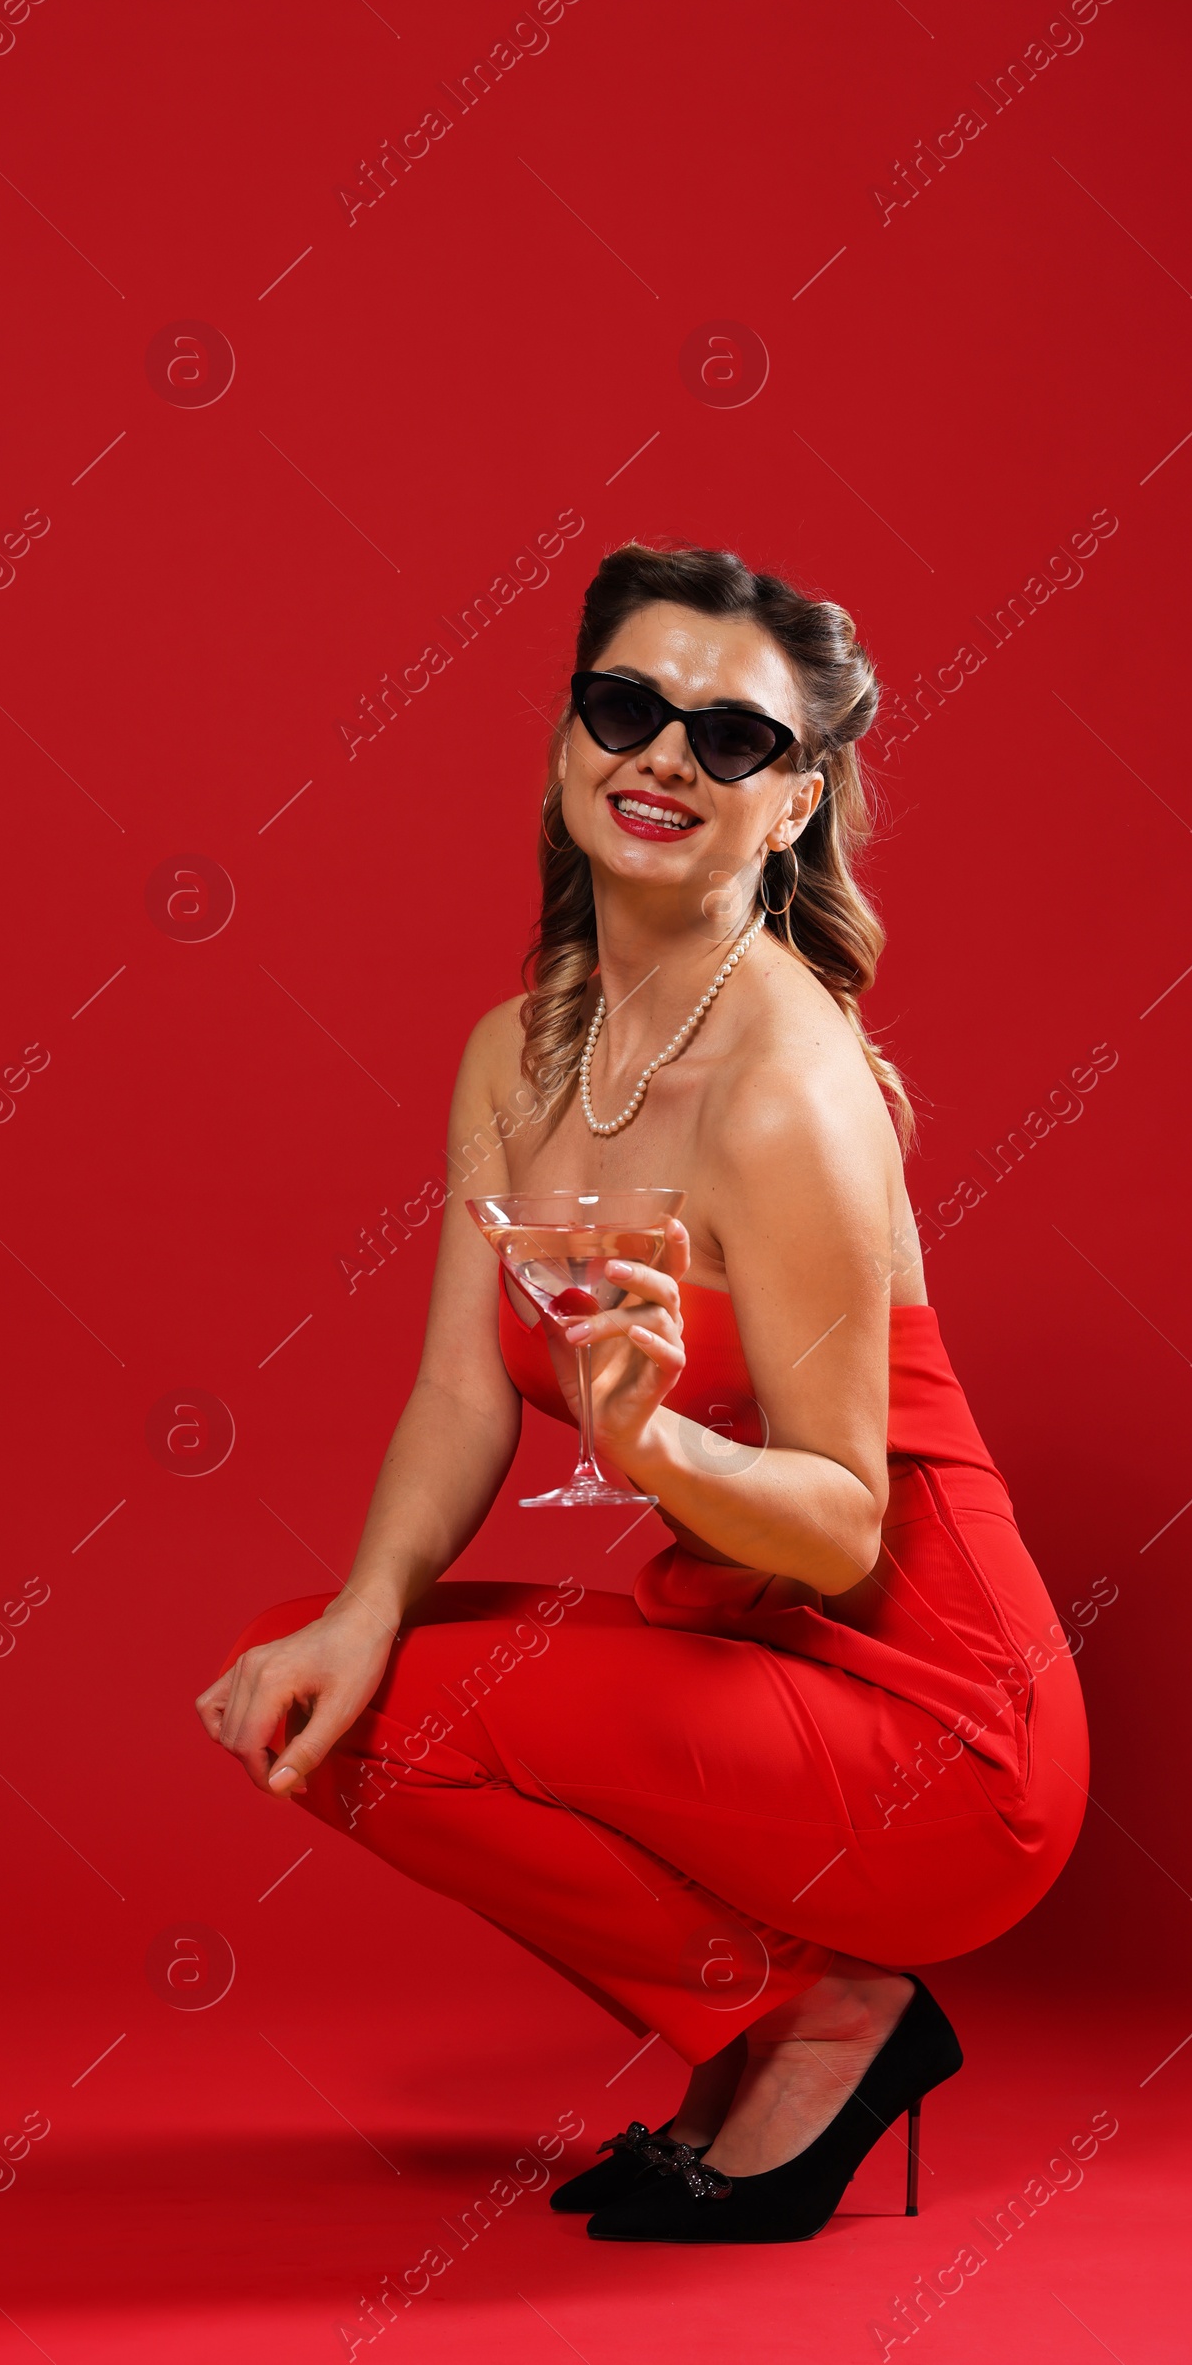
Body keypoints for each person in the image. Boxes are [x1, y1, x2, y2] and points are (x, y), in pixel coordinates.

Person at [197, 541, 1089, 2244]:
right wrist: (368, 1606)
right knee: (322, 1666)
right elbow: (464, 1389)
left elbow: (839, 1530)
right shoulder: (518, 1050)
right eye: (627, 705)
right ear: (566, 743)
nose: (665, 757)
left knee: (388, 1711)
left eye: (732, 739)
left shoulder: (787, 1091)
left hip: (944, 1729)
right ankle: (785, 2015)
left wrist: (648, 1444)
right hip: (758, 1665)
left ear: (795, 802)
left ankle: (823, 2018)